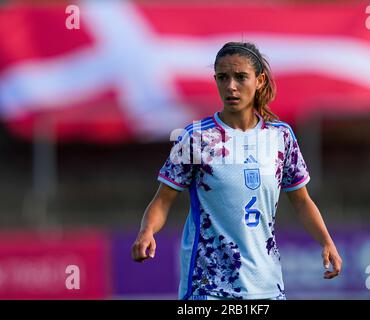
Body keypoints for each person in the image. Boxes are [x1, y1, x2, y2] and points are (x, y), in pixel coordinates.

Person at [131, 42, 342, 300]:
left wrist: (326, 242)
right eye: (223, 78)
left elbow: (301, 201)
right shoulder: (195, 137)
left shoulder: (280, 137)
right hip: (208, 285)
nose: (231, 86)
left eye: (241, 77)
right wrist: (147, 231)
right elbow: (163, 201)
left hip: (267, 286)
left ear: (259, 81)